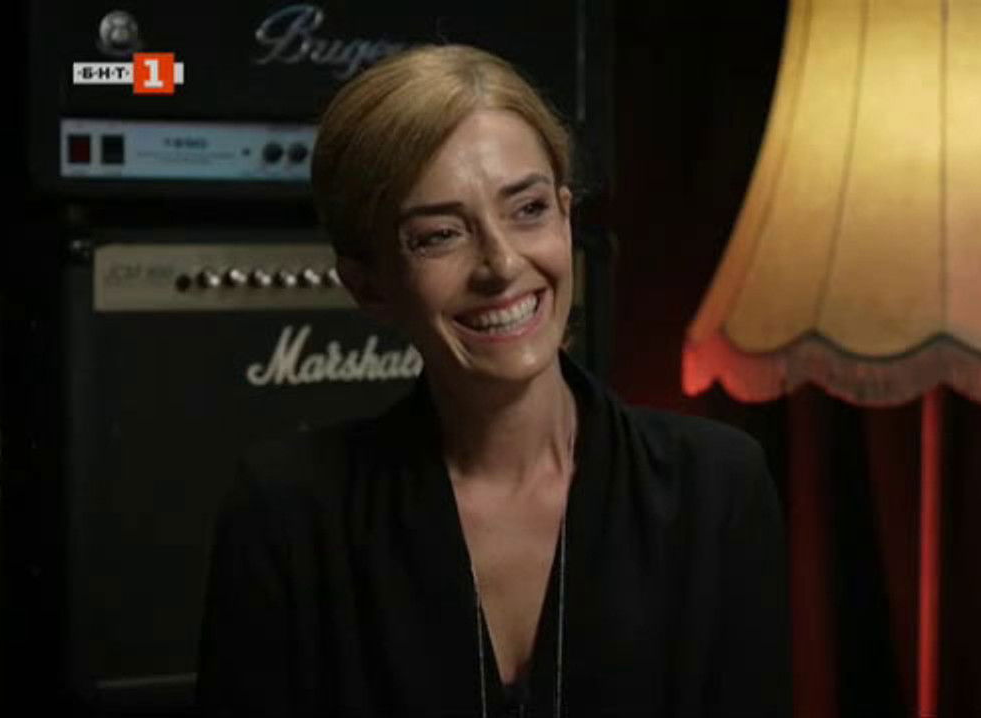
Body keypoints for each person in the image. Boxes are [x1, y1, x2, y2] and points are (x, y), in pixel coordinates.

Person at [196, 44, 791, 718]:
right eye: (439, 235)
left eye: (528, 209)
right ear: (368, 286)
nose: (502, 264)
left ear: (566, 217)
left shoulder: (717, 487)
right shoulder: (285, 514)